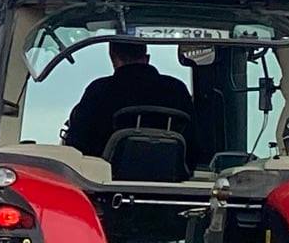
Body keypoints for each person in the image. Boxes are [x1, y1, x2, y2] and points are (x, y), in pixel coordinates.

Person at [61, 40, 193, 157]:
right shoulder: (177, 89)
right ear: (146, 58)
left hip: (103, 180)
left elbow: (76, 143)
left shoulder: (99, 90)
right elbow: (196, 141)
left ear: (113, 58)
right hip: (173, 176)